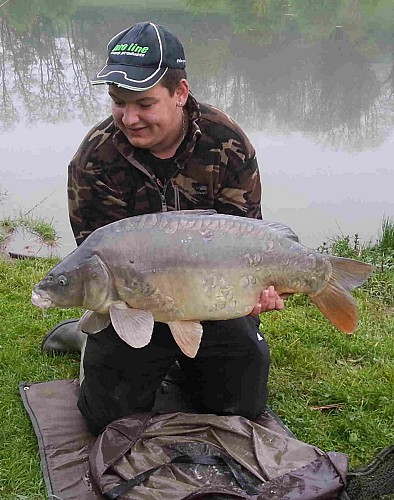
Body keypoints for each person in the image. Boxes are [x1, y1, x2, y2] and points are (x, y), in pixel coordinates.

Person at [43, 21, 285, 436]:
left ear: (180, 93)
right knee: (108, 417)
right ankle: (87, 336)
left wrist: (257, 289)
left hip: (210, 296)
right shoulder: (94, 157)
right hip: (133, 303)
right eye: (118, 102)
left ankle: (187, 359)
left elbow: (246, 237)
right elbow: (95, 257)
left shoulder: (226, 142)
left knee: (238, 405)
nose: (129, 117)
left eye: (144, 103)